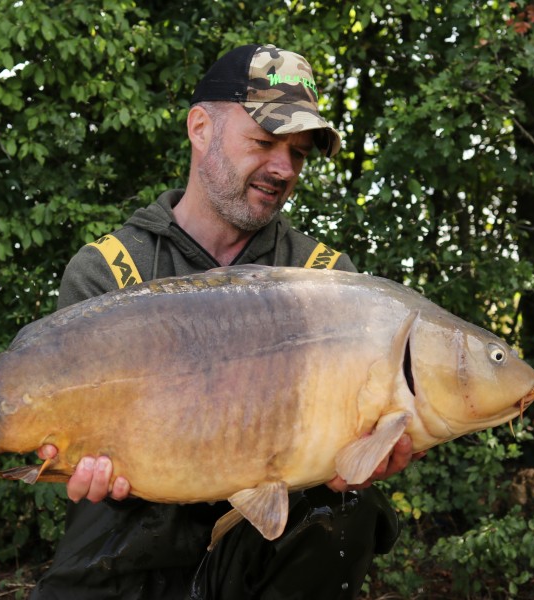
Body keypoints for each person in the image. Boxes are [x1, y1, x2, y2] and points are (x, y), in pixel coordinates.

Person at [29, 44, 423, 600]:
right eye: (263, 142)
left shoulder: (327, 281)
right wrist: (82, 464)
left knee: (349, 509)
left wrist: (361, 454)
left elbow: (354, 442)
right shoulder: (111, 271)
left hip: (265, 546)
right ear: (199, 128)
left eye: (299, 153)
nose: (283, 168)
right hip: (134, 542)